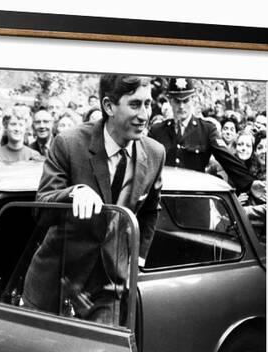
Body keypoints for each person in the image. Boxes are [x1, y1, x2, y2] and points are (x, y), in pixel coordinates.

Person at [22, 74, 165, 325]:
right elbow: (41, 210)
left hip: (108, 289)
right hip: (55, 285)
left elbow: (151, 209)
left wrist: (137, 260)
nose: (144, 115)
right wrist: (74, 193)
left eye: (148, 104)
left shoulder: (155, 153)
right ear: (109, 106)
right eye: (134, 104)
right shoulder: (69, 143)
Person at [148, 77, 254, 193]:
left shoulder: (207, 130)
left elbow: (227, 159)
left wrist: (250, 183)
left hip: (195, 200)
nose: (181, 106)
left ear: (193, 99)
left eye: (186, 100)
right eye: (177, 101)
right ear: (170, 100)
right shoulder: (157, 131)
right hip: (164, 200)